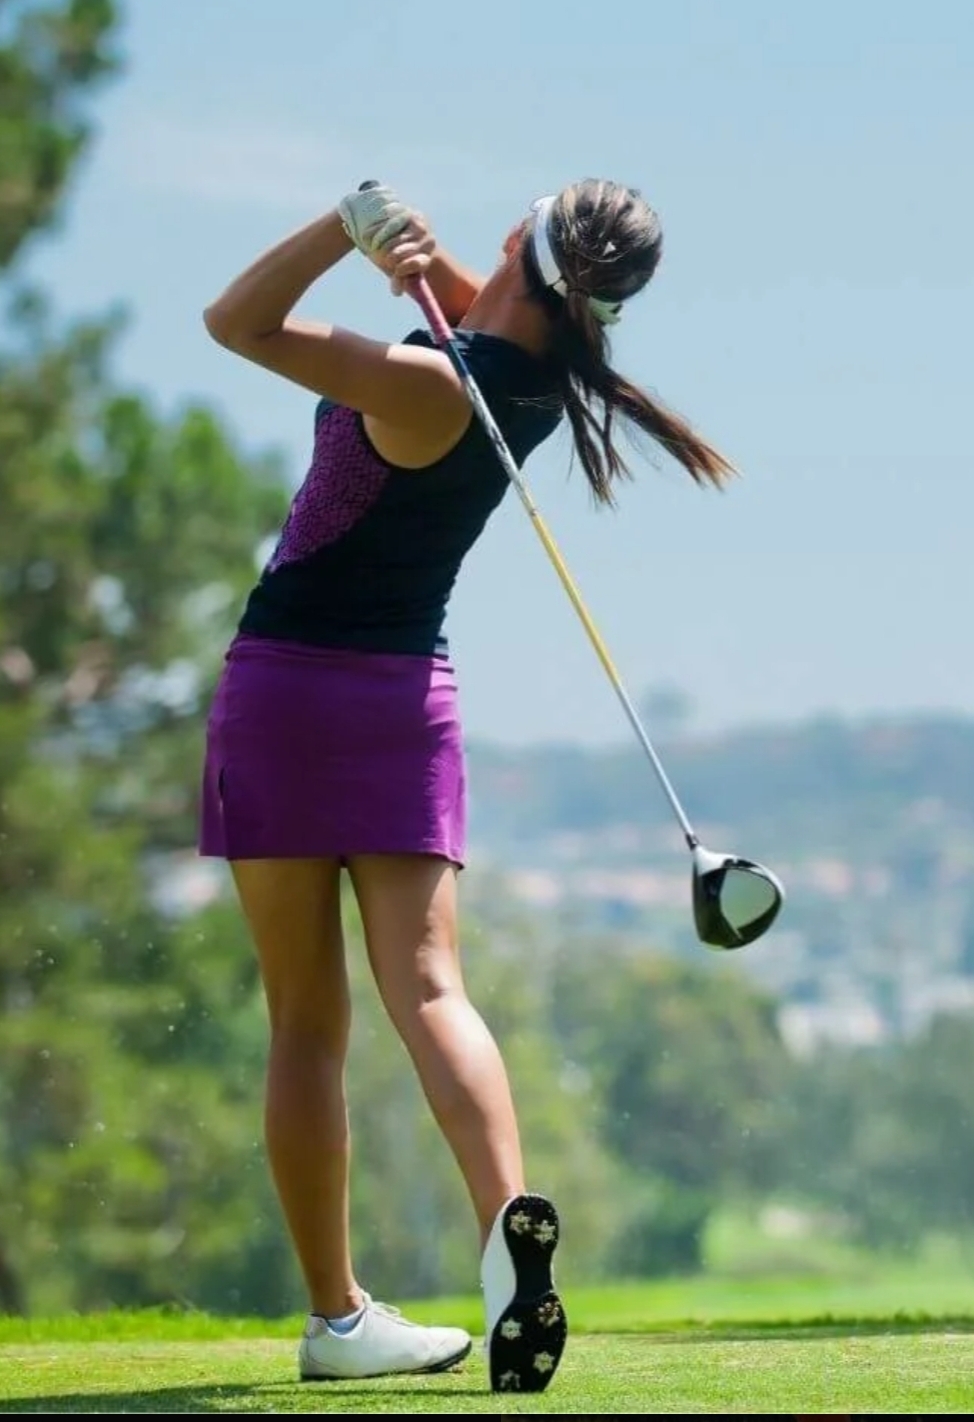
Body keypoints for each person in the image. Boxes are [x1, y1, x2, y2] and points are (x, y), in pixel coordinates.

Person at [198, 177, 735, 1394]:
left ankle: (337, 1320)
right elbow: (487, 314)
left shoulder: (426, 382)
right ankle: (505, 1223)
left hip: (288, 695)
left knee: (305, 1022)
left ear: (524, 242)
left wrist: (340, 230)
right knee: (432, 988)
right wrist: (422, 265)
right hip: (406, 709)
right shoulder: (537, 378)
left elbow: (233, 323)